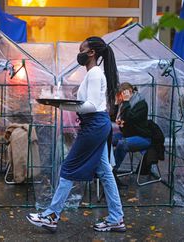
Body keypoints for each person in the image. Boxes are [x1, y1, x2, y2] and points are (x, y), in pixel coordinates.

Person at [26, 37, 125, 233]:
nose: (78, 53)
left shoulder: (95, 73)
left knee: (69, 167)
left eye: (81, 49)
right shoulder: (93, 74)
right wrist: (58, 104)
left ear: (91, 53)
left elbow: (91, 106)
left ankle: (51, 215)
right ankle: (116, 218)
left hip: (94, 125)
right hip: (97, 124)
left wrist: (60, 104)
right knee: (105, 172)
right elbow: (90, 105)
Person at [112, 82, 151, 173]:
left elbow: (130, 118)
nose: (121, 97)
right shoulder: (124, 104)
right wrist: (116, 104)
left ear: (130, 91)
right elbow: (113, 118)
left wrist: (125, 102)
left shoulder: (141, 104)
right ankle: (103, 168)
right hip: (128, 134)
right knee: (107, 139)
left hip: (142, 137)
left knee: (122, 144)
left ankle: (111, 171)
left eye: (123, 94)